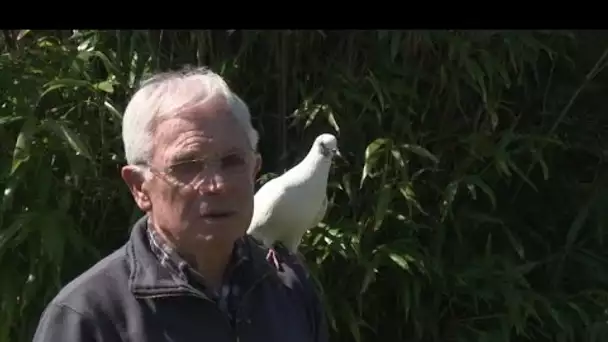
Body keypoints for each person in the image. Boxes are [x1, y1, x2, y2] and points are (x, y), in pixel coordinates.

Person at [32, 66, 329, 342]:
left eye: (232, 162)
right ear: (139, 187)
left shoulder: (288, 289)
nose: (217, 185)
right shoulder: (89, 317)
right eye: (187, 166)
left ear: (255, 170)